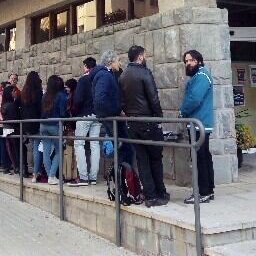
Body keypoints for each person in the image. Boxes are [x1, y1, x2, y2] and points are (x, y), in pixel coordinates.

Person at [119, 45, 168, 207]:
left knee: (142, 160)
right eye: (144, 55)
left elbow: (122, 101)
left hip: (132, 123)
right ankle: (160, 193)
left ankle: (150, 195)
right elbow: (153, 98)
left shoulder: (123, 75)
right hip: (147, 121)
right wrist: (158, 117)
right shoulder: (145, 73)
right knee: (155, 158)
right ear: (140, 57)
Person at [179, 49, 215, 204]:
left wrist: (182, 111)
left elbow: (194, 98)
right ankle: (208, 190)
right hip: (199, 124)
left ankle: (203, 192)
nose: (188, 63)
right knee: (204, 157)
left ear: (199, 61)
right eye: (186, 61)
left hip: (199, 124)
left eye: (191, 60)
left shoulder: (201, 76)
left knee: (199, 159)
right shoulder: (199, 76)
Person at [91, 51, 134, 167]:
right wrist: (117, 110)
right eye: (118, 61)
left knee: (122, 147)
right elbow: (100, 99)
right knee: (125, 148)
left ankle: (121, 174)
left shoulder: (104, 74)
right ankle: (123, 175)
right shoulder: (105, 76)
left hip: (108, 116)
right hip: (111, 117)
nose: (120, 64)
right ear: (110, 62)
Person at [69, 57, 101, 186]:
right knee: (95, 144)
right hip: (97, 115)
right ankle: (93, 177)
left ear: (86, 66)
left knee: (79, 144)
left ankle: (83, 177)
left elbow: (77, 100)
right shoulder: (99, 78)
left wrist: (76, 110)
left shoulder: (83, 80)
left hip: (84, 115)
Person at [40, 75, 69, 185]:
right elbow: (63, 112)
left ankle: (50, 176)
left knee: (46, 152)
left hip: (43, 125)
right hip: (55, 124)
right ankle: (52, 176)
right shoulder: (61, 95)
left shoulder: (45, 95)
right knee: (59, 150)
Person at [21, 71, 43, 182]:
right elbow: (40, 108)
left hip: (27, 124)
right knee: (37, 149)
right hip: (36, 123)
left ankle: (34, 171)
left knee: (33, 148)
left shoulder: (24, 92)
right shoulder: (38, 92)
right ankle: (36, 172)